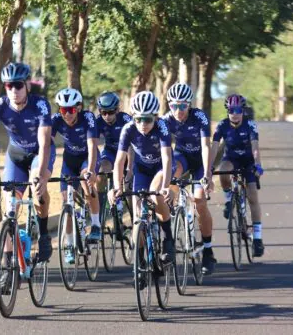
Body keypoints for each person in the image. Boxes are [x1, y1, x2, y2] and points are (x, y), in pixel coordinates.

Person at [0, 62, 55, 263]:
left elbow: (44, 143)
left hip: (39, 154)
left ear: (27, 86)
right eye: (8, 86)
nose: (13, 90)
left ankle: (43, 234)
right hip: (15, 155)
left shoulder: (40, 105)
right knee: (10, 209)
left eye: (18, 85)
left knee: (38, 188)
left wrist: (41, 175)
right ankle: (8, 263)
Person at [108, 91, 175, 263]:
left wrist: (166, 186)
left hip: (161, 167)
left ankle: (168, 237)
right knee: (138, 218)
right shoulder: (128, 129)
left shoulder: (162, 128)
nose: (142, 124)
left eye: (147, 119)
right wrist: (117, 188)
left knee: (155, 194)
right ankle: (140, 262)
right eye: (138, 119)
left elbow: (167, 159)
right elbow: (118, 162)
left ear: (155, 117)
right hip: (142, 169)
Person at [162, 82, 216, 274]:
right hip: (182, 157)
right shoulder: (166, 120)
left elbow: (206, 146)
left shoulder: (199, 117)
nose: (178, 110)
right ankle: (171, 213)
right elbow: (164, 152)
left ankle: (208, 250)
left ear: (189, 105)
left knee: (200, 201)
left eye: (182, 106)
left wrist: (208, 175)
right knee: (170, 176)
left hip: (201, 160)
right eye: (174, 106)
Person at [209, 94, 265, 257]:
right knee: (223, 173)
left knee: (253, 196)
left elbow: (255, 146)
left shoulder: (250, 125)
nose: (235, 113)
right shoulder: (222, 125)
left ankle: (257, 238)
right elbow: (214, 147)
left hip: (248, 161)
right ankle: (228, 201)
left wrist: (258, 165)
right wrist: (209, 167)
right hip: (232, 159)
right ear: (228, 111)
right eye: (231, 110)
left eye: (238, 110)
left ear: (243, 111)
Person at [52, 87, 100, 264]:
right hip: (69, 160)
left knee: (87, 184)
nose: (67, 114)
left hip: (88, 157)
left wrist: (91, 170)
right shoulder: (56, 120)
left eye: (71, 109)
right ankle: (69, 245)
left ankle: (95, 224)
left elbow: (92, 145)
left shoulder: (88, 118)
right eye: (63, 110)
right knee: (67, 203)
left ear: (78, 108)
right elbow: (45, 142)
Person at [95, 91, 133, 213]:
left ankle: (135, 220)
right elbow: (92, 143)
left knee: (128, 188)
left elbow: (132, 146)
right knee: (101, 173)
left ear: (117, 110)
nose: (106, 116)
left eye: (110, 112)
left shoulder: (125, 119)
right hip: (110, 151)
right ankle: (100, 208)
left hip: (128, 152)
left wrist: (130, 168)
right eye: (103, 112)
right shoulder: (98, 121)